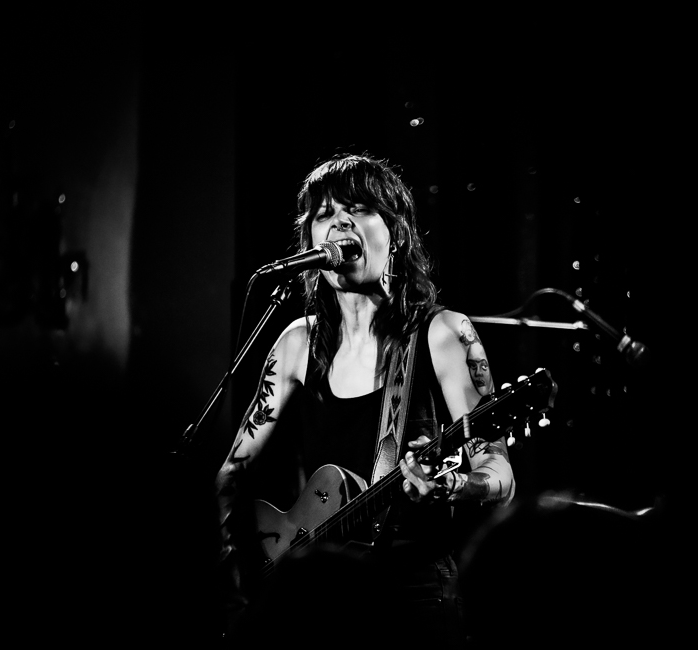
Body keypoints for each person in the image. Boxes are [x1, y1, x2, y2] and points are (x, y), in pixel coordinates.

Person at [214, 153, 515, 646]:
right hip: (319, 604)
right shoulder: (297, 342)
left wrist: (453, 484)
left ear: (395, 233)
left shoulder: (442, 333)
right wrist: (234, 586)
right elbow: (233, 472)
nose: (339, 222)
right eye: (324, 214)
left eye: (357, 207)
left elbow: (500, 475)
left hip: (410, 596)